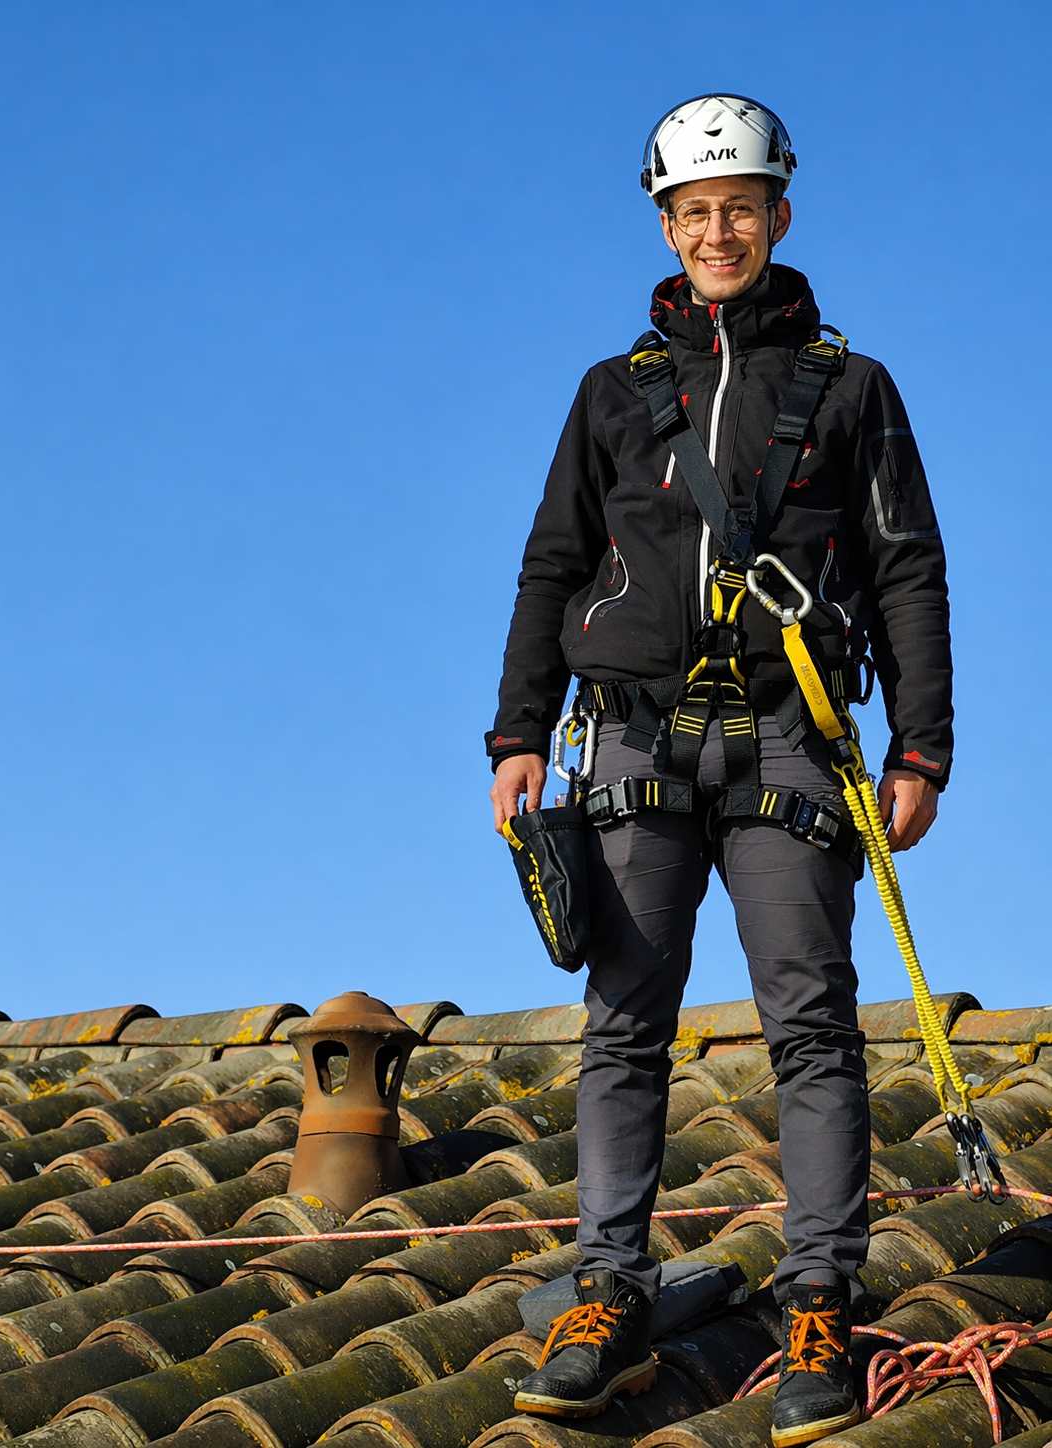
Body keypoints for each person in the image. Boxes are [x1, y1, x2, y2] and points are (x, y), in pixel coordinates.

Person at [486, 95, 952, 1447]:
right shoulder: (611, 393)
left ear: (778, 216)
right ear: (663, 223)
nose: (716, 229)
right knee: (621, 1022)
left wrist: (922, 744)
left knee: (809, 1022)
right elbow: (549, 566)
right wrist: (517, 733)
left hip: (791, 744)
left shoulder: (853, 390)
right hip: (625, 738)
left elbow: (906, 570)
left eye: (737, 206)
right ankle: (607, 1291)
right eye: (691, 211)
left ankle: (820, 1299)